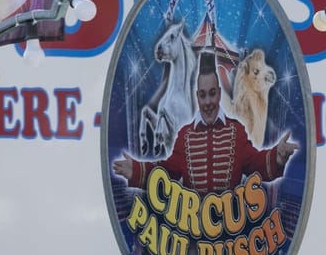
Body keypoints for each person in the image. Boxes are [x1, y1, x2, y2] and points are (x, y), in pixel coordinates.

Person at [112, 51, 297, 194]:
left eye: (211, 94)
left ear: (218, 93)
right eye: (202, 95)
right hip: (194, 233)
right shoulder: (185, 135)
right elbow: (166, 173)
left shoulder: (236, 130)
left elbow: (255, 163)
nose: (207, 102)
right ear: (197, 97)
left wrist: (278, 157)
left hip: (230, 236)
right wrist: (136, 170)